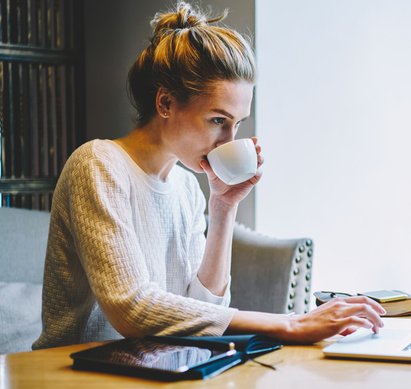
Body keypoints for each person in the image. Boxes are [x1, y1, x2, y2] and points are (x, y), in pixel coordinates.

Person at [32, 2, 384, 350]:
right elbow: (131, 310)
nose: (229, 141)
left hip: (152, 370)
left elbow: (206, 315)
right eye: (218, 120)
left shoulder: (186, 187)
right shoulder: (97, 164)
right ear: (166, 103)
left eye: (238, 124)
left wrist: (223, 208)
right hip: (67, 373)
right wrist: (290, 323)